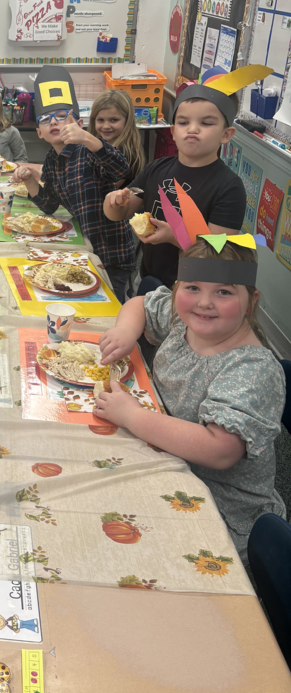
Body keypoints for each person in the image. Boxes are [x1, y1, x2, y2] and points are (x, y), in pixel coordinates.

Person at [95, 235, 285, 564]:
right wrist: (127, 331)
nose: (204, 302)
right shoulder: (183, 317)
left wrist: (134, 418)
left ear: (250, 301)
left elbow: (220, 449)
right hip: (164, 454)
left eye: (224, 292)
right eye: (193, 287)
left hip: (214, 501)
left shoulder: (253, 369)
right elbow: (139, 304)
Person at [102, 66, 255, 291]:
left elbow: (218, 254)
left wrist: (175, 236)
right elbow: (119, 213)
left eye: (206, 123)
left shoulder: (229, 187)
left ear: (226, 134)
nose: (192, 129)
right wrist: (113, 201)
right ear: (173, 132)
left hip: (193, 288)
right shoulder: (155, 169)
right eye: (183, 122)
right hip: (147, 278)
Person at [13, 66, 135, 302]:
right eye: (45, 119)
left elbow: (121, 169)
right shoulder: (51, 160)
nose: (53, 122)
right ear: (39, 133)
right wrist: (29, 180)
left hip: (112, 254)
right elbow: (49, 205)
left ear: (79, 123)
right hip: (84, 250)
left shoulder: (89, 151)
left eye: (61, 116)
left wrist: (88, 138)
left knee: (111, 308)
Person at [88, 89, 145, 187]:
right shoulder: (100, 145)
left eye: (113, 120)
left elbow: (106, 189)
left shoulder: (127, 154)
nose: (106, 126)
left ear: (127, 121)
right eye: (100, 120)